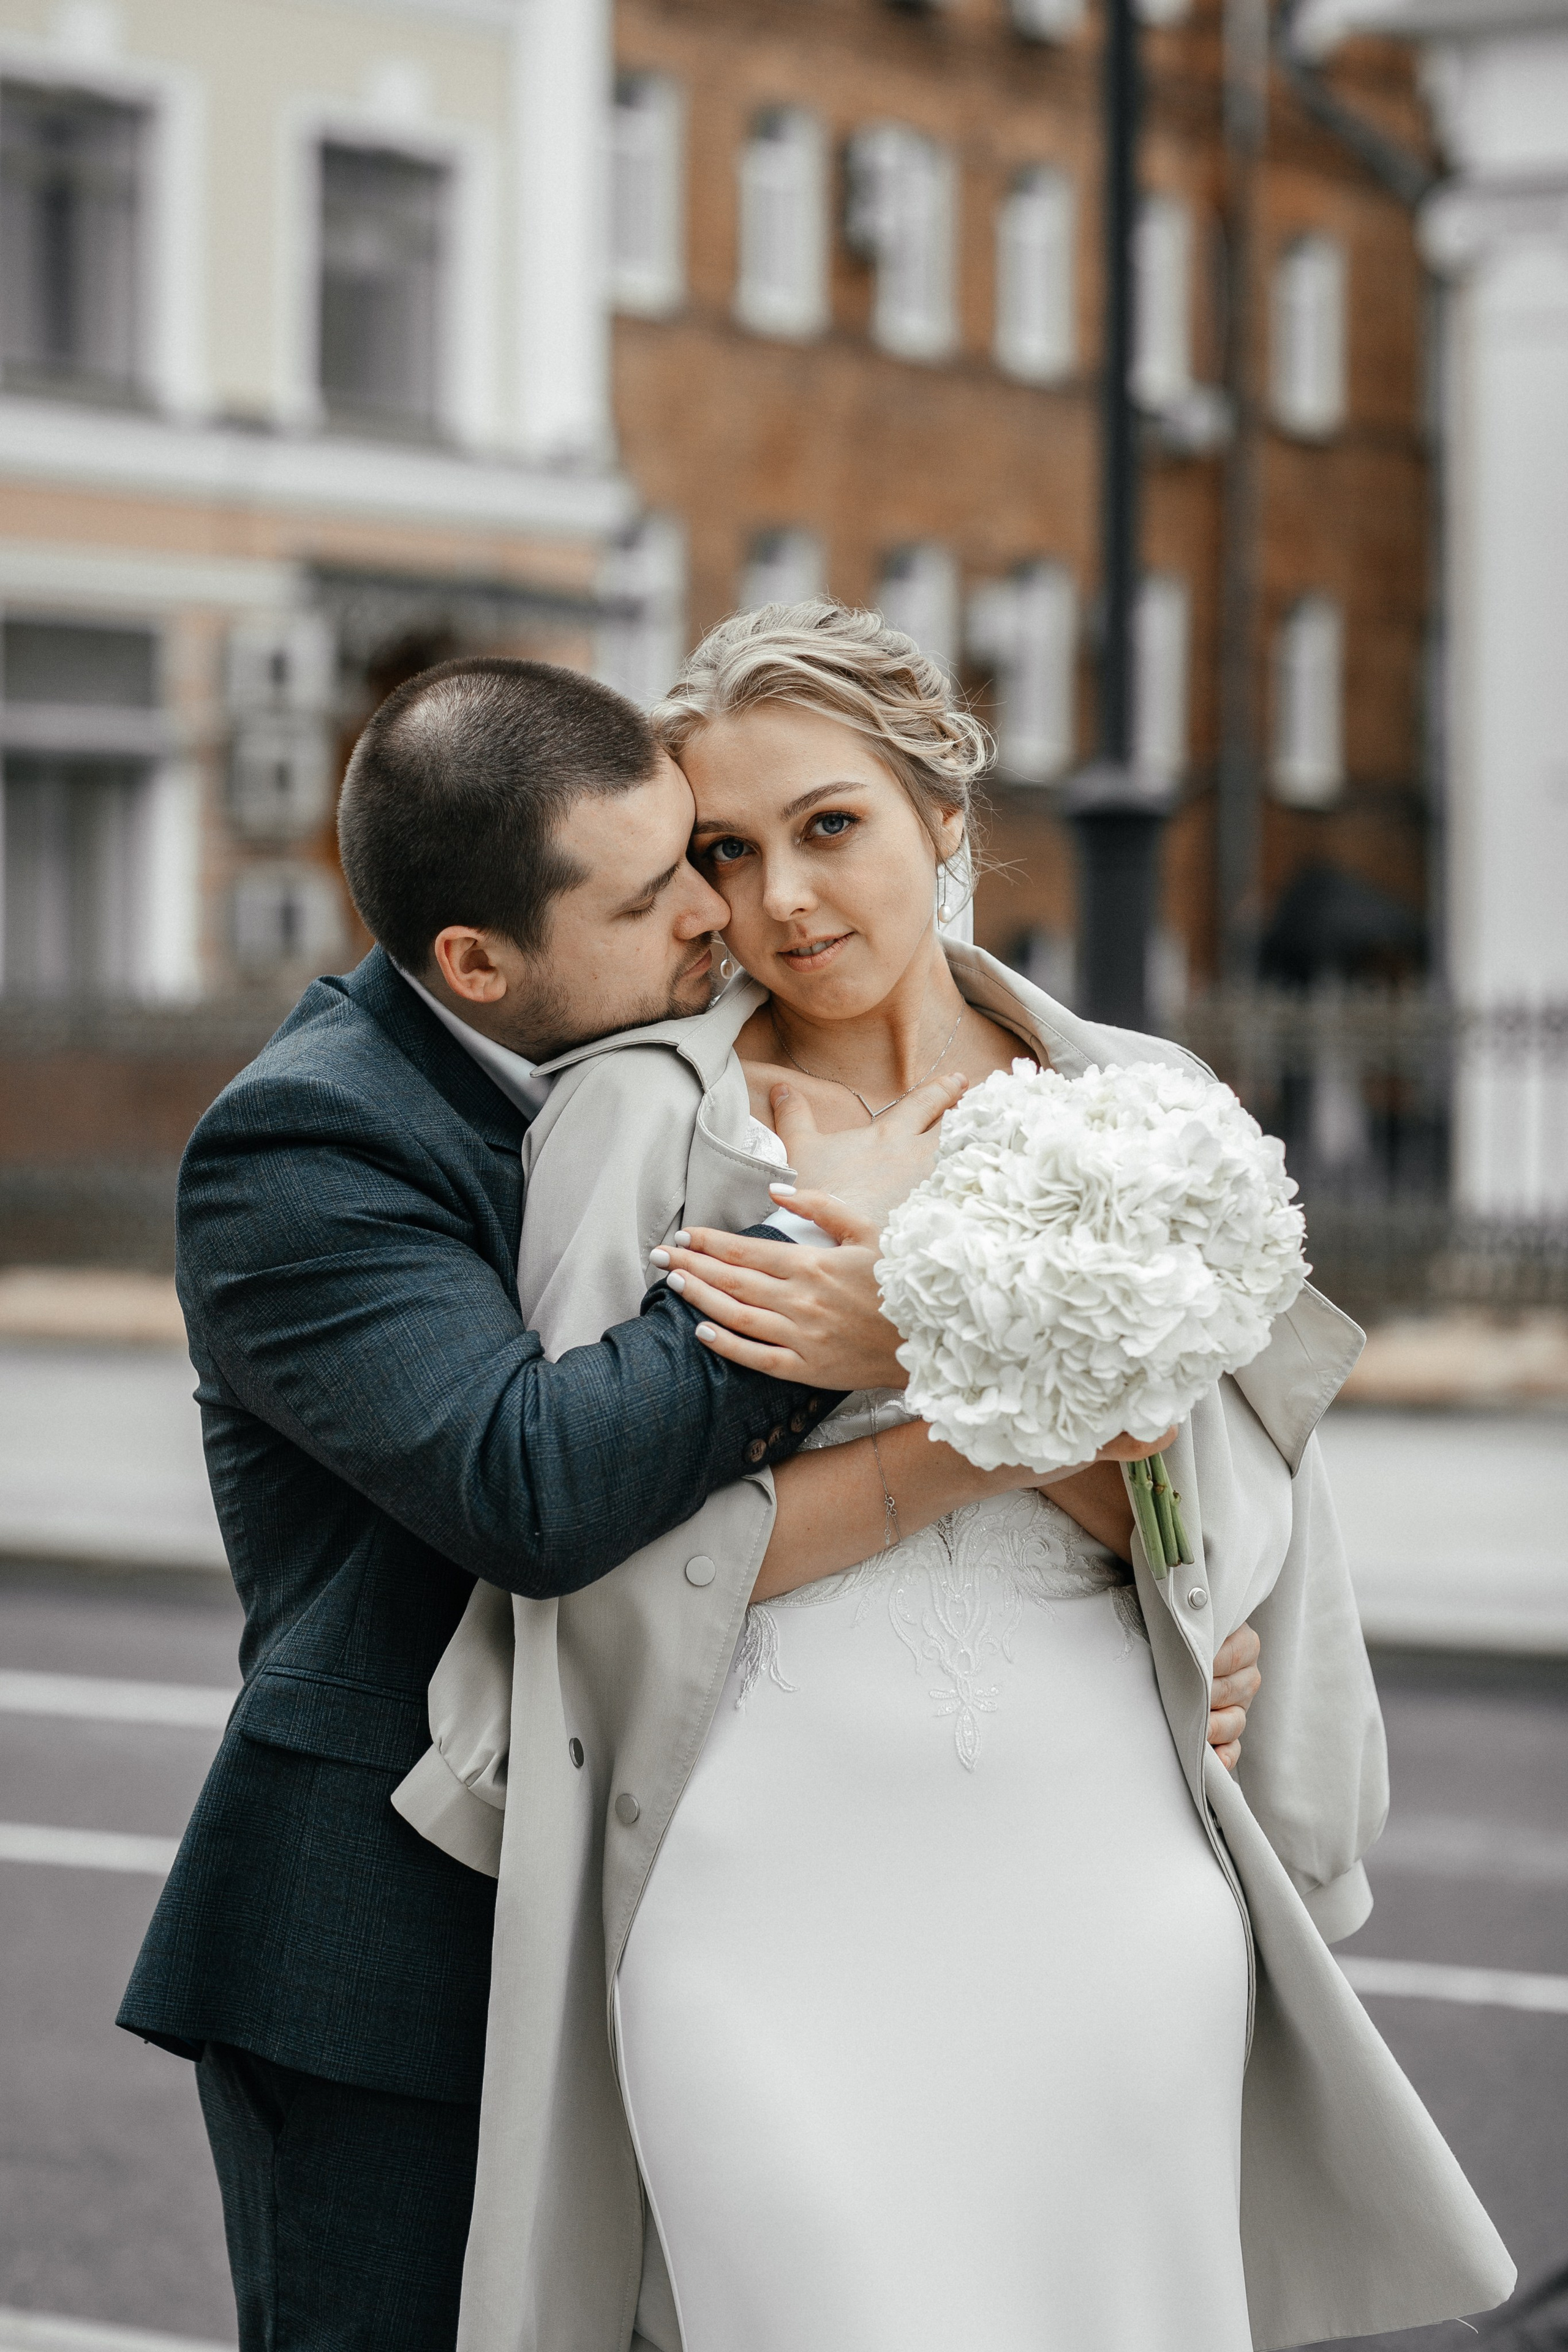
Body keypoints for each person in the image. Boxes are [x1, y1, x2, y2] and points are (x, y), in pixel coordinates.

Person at [116, 654, 1261, 2352]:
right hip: (400, 1941)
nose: (725, 923)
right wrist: (878, 1295)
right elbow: (534, 1485)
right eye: (673, 886)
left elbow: (1208, 1502)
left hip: (727, 1879)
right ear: (477, 963)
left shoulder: (1072, 1092)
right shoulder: (305, 1144)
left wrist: (1175, 1623)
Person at [412, 605, 1513, 2352]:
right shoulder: (631, 1122)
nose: (782, 896)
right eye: (727, 852)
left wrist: (904, 1333)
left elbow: (1206, 1541)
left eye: (830, 825)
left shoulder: (1142, 1108)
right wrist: (968, 1379)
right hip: (752, 1866)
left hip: (1100, 1862)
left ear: (942, 817)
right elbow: (607, 1561)